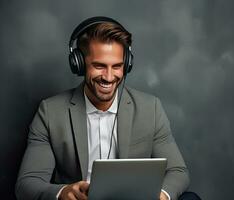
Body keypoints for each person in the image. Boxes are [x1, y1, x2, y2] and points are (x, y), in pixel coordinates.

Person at [15, 16, 200, 200]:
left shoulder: (150, 108)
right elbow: (27, 183)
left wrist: (162, 196)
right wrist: (62, 192)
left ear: (127, 65)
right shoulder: (50, 112)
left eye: (117, 66)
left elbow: (178, 171)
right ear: (79, 64)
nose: (109, 77)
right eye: (99, 66)